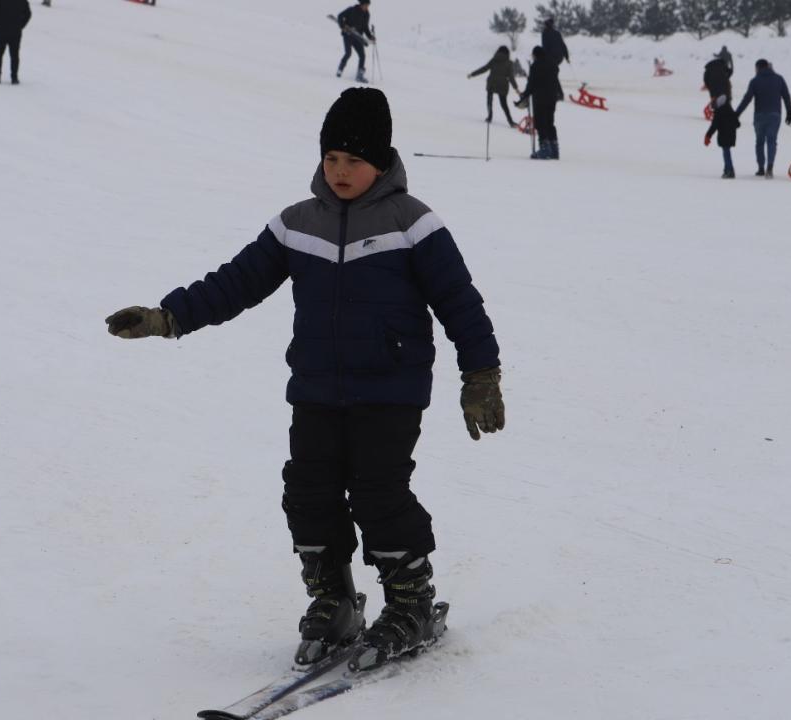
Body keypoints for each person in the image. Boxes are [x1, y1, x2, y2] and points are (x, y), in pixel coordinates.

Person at [104, 87, 504, 672]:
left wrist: (481, 375)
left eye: (355, 161)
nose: (340, 172)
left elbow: (460, 303)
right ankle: (334, 600)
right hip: (316, 388)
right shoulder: (298, 224)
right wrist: (169, 317)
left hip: (390, 389)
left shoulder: (412, 225)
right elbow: (235, 282)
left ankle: (410, 602)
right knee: (308, 490)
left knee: (378, 491)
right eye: (331, 158)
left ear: (383, 161)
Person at [735, 59, 791, 179]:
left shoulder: (755, 81)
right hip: (775, 115)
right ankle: (770, 167)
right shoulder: (779, 79)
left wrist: (736, 114)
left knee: (759, 142)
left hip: (759, 116)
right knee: (772, 141)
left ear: (758, 68)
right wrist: (790, 113)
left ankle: (761, 168)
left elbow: (747, 99)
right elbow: (786, 96)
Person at [516, 46, 561, 160]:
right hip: (552, 98)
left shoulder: (536, 66)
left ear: (535, 55)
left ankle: (545, 148)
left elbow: (531, 83)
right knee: (550, 122)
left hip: (540, 98)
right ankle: (554, 149)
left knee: (540, 123)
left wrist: (524, 95)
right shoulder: (553, 65)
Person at [468, 46, 522, 127]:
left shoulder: (494, 60)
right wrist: (516, 88)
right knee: (504, 104)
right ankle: (510, 122)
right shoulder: (509, 63)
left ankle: (489, 117)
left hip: (492, 83)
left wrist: (472, 74)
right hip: (502, 85)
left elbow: (484, 69)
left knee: (489, 100)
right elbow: (511, 77)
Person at [0, 0, 31, 85]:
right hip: (15, 31)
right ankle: (14, 78)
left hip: (1, 30)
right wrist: (20, 25)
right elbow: (28, 14)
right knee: (14, 55)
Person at [336, 2, 375, 83]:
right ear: (361, 4)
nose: (367, 7)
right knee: (348, 53)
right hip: (348, 35)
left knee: (362, 55)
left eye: (368, 5)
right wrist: (343, 26)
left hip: (357, 37)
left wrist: (370, 36)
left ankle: (359, 75)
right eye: (366, 5)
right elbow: (340, 16)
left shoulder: (366, 14)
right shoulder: (352, 10)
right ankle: (340, 69)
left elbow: (365, 27)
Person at [704, 94, 740, 179]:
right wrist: (731, 126)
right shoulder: (730, 109)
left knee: (726, 152)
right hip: (731, 135)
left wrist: (708, 135)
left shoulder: (719, 112)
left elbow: (714, 125)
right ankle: (727, 169)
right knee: (726, 152)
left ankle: (729, 170)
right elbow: (738, 124)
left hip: (724, 135)